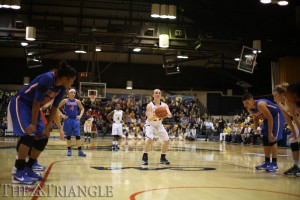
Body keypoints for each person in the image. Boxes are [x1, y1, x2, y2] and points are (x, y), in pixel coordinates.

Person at [7, 61, 77, 184]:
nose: (72, 83)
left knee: (43, 137)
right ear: (65, 78)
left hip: (35, 108)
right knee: (29, 135)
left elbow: (54, 108)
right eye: (71, 80)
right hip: (22, 103)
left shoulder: (61, 89)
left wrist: (48, 126)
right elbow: (36, 102)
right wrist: (33, 124)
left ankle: (29, 168)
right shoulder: (48, 78)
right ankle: (18, 172)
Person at [242, 93, 284, 172]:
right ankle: (267, 162)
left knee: (272, 139)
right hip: (267, 118)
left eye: (247, 103)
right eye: (244, 103)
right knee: (265, 139)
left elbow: (270, 118)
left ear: (252, 101)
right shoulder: (249, 108)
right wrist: (255, 128)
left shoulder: (260, 104)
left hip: (276, 116)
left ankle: (274, 164)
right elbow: (255, 117)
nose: (245, 105)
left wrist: (270, 132)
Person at [141, 89, 172, 165]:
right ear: (153, 95)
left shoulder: (164, 105)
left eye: (159, 93)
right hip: (150, 124)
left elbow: (170, 114)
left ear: (161, 95)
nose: (158, 94)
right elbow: (149, 118)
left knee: (167, 141)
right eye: (156, 93)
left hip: (159, 125)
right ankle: (144, 157)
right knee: (149, 140)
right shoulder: (149, 105)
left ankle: (163, 158)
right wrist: (157, 114)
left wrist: (167, 114)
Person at [276, 82, 300, 176]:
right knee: (293, 139)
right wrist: (293, 130)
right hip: (295, 121)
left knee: (295, 139)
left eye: (275, 95)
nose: (274, 98)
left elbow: (294, 115)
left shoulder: (288, 100)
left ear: (282, 94)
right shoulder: (279, 103)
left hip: (298, 118)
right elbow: (287, 117)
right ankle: (296, 166)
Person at [57, 89, 86, 157]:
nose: (73, 93)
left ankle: (80, 151)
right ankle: (69, 151)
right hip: (68, 119)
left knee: (78, 136)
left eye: (74, 92)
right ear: (68, 93)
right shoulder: (65, 100)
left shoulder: (77, 101)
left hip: (75, 120)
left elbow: (82, 108)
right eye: (72, 92)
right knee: (68, 136)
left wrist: (80, 116)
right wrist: (62, 115)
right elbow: (56, 107)